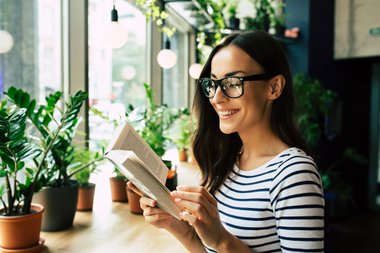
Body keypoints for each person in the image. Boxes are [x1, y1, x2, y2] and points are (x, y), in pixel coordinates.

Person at [128, 30, 324, 252]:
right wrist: (177, 227)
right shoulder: (227, 162)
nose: (216, 97)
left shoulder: (293, 173)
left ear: (274, 87)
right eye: (213, 84)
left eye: (232, 82)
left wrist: (221, 239)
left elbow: (220, 244)